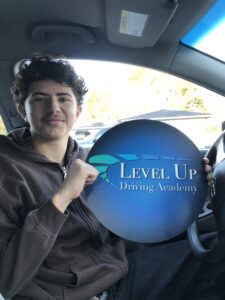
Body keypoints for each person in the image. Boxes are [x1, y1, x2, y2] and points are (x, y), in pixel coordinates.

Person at [0, 53, 222, 300]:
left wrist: (190, 183)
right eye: (40, 99)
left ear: (78, 109)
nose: (54, 108)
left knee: (217, 253)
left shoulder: (97, 157)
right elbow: (7, 279)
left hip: (119, 274)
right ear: (22, 109)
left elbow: (132, 218)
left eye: (63, 98)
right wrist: (62, 197)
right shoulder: (7, 171)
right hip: (63, 294)